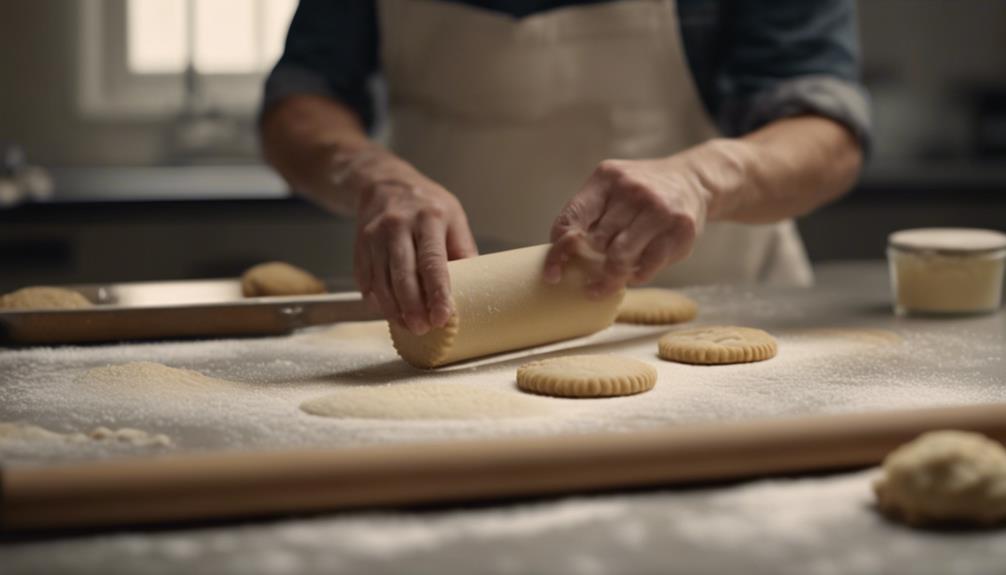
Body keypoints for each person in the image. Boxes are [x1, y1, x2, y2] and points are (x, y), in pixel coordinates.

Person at [260, 0, 870, 336]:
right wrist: (373, 175)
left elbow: (827, 131)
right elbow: (299, 103)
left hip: (711, 302)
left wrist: (703, 177)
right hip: (444, 315)